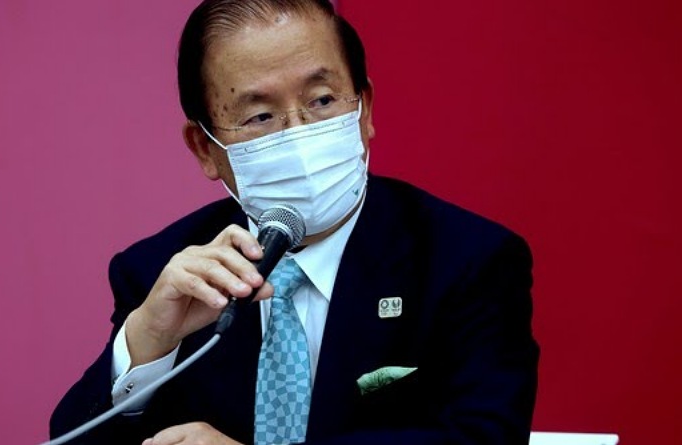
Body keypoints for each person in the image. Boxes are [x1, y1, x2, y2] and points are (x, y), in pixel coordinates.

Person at [50, 1, 539, 444]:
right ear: (205, 149)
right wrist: (146, 342)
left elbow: (484, 437)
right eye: (260, 116)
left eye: (322, 100)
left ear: (364, 110)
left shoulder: (466, 261)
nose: (299, 134)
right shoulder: (159, 271)